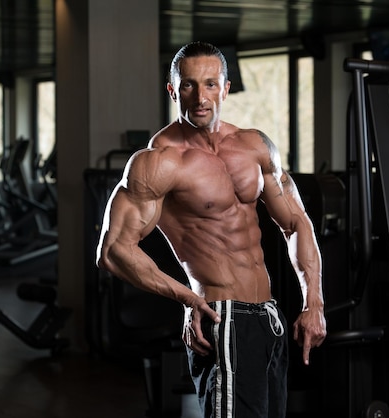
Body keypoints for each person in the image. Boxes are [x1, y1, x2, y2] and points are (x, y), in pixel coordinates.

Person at [96, 41, 327, 418]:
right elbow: (113, 250)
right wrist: (188, 298)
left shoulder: (255, 146)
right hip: (223, 317)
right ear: (173, 90)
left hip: (269, 318)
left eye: (210, 84)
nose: (200, 97)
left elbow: (297, 223)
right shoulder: (159, 161)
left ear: (226, 87)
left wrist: (313, 303)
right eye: (188, 85)